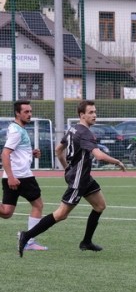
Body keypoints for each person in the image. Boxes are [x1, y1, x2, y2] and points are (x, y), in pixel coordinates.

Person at [18, 100, 127, 257]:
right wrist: (117, 162)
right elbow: (99, 155)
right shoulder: (85, 133)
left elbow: (58, 150)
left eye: (95, 112)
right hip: (79, 179)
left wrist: (66, 168)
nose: (95, 115)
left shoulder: (73, 129)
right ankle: (26, 236)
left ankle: (86, 242)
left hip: (83, 177)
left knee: (100, 206)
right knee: (61, 214)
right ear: (82, 115)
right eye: (91, 112)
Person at [2, 100, 47, 251]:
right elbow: (5, 154)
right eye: (26, 112)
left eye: (30, 111)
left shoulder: (17, 128)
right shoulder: (16, 131)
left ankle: (29, 241)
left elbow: (16, 151)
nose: (29, 114)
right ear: (17, 113)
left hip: (15, 175)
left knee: (6, 212)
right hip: (21, 176)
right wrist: (11, 177)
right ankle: (29, 241)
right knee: (38, 205)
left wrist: (31, 153)